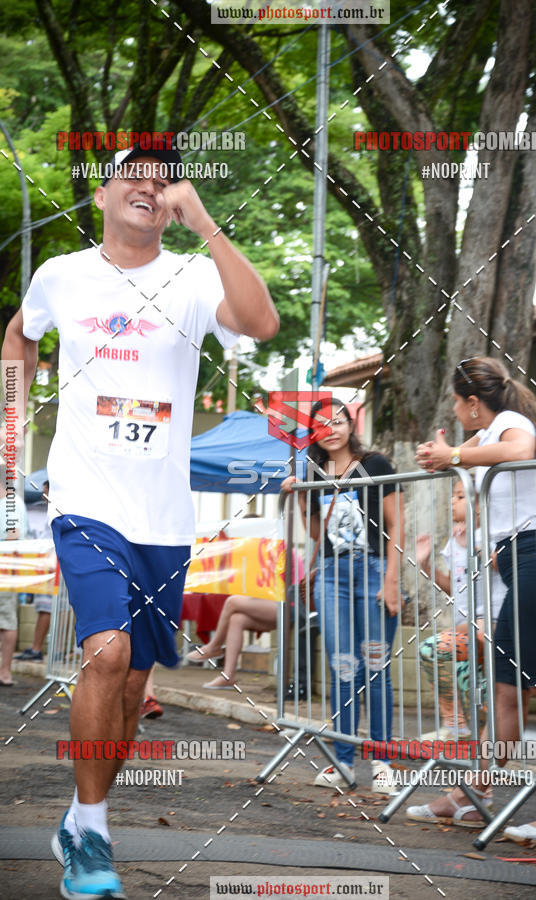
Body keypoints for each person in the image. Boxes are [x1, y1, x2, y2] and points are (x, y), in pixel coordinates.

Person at [1, 141, 278, 899]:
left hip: (164, 516)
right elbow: (20, 335)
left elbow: (262, 323)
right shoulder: (62, 274)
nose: (148, 186)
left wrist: (209, 226)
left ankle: (81, 816)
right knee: (107, 653)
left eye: (163, 179)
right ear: (102, 195)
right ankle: (94, 838)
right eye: (133, 175)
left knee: (129, 692)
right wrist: (9, 422)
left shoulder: (192, 277)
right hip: (86, 500)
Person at [411, 356, 536, 845]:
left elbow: (521, 447)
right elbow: (463, 451)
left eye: (456, 400)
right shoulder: (489, 429)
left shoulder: (511, 423)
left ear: (473, 403)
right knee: (507, 691)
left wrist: (452, 457)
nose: (453, 407)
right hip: (527, 563)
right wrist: (449, 450)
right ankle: (472, 795)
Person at [283, 398, 405, 794]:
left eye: (338, 421)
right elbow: (318, 535)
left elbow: (396, 524)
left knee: (375, 666)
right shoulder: (314, 470)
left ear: (351, 425)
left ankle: (383, 761)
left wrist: (391, 579)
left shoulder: (377, 465)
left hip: (372, 570)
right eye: (322, 424)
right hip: (333, 576)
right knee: (342, 666)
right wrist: (301, 495)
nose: (331, 428)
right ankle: (343, 761)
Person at [416, 478, 506, 740]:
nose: (452, 502)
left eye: (459, 496)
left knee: (434, 652)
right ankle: (458, 728)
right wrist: (425, 565)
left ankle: (491, 751)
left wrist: (484, 552)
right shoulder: (453, 541)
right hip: (466, 631)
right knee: (438, 657)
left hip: (493, 627)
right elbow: (455, 589)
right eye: (452, 496)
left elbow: (508, 573)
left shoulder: (494, 533)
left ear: (479, 503)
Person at [186, 593, 280, 688]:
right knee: (236, 619)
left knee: (232, 601)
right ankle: (228, 677)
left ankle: (214, 646)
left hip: (290, 603)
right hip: (278, 600)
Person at [17, 480, 53, 661]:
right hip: (46, 566)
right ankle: (36, 648)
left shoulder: (57, 513)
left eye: (45, 491)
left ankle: (37, 648)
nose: (42, 495)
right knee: (43, 608)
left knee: (45, 608)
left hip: (51, 568)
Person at [0, 469, 28, 685]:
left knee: (7, 620)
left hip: (6, 568)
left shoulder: (11, 502)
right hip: (6, 568)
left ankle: (5, 672)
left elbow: (14, 534)